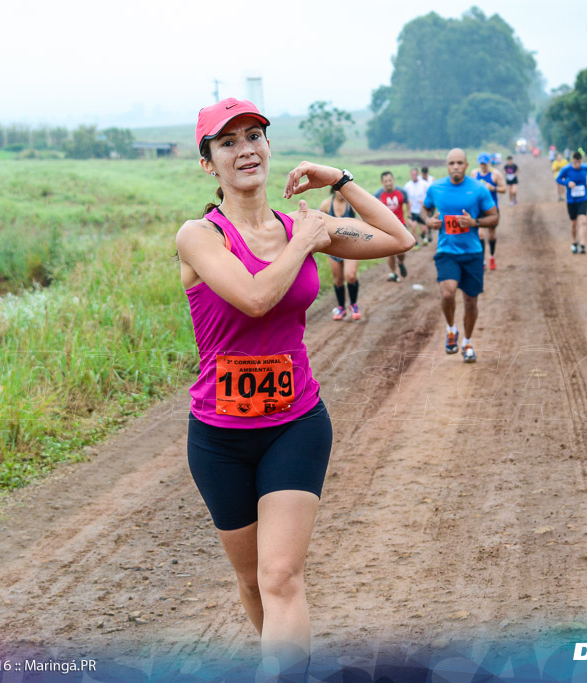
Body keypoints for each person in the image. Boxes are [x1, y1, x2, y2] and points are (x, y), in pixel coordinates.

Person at [176, 98, 414, 679]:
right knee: (253, 582)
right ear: (208, 162)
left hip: (295, 423)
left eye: (254, 136)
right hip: (218, 435)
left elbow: (398, 238)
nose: (246, 149)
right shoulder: (200, 236)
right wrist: (306, 241)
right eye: (228, 142)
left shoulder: (301, 226)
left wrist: (339, 180)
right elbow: (255, 298)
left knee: (280, 575)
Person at [424, 148, 499, 363]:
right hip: (447, 251)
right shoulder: (436, 188)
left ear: (466, 165)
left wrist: (474, 222)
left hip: (473, 253)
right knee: (448, 293)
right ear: (447, 166)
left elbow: (494, 218)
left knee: (471, 302)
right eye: (451, 163)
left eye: (459, 163)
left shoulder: (478, 189)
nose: (455, 167)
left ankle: (467, 342)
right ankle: (450, 329)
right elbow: (424, 210)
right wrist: (429, 221)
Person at [318, 188, 361, 321]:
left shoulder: (352, 204)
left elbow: (361, 222)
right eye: (338, 189)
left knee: (350, 275)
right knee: (338, 280)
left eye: (343, 189)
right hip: (333, 248)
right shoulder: (326, 204)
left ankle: (353, 304)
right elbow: (318, 220)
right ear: (333, 189)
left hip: (350, 247)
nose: (341, 192)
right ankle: (341, 307)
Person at [470, 153, 505, 270]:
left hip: (492, 209)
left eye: (485, 164)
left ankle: (492, 256)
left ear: (489, 163)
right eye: (481, 163)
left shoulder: (495, 175)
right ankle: (483, 260)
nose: (483, 166)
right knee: (480, 234)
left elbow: (504, 189)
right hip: (478, 208)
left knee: (491, 234)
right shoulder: (474, 173)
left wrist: (493, 188)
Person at [556, 151, 587, 254]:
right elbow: (558, 179)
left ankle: (582, 244)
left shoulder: (586, 167)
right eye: (575, 162)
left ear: (581, 160)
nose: (577, 164)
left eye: (579, 162)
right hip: (571, 200)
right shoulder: (566, 169)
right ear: (573, 161)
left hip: (583, 199)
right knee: (574, 223)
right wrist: (567, 183)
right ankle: (574, 242)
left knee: (583, 221)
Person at [375, 171, 411, 281]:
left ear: (393, 180)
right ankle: (393, 273)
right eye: (386, 181)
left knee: (401, 251)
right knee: (390, 252)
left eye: (390, 180)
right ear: (382, 182)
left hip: (401, 225)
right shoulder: (377, 195)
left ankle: (400, 262)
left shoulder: (401, 192)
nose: (388, 183)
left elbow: (407, 202)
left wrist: (409, 215)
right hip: (386, 228)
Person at [404, 166, 432, 247]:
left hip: (422, 211)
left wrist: (425, 202)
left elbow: (429, 196)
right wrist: (408, 213)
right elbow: (406, 201)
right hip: (413, 211)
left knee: (424, 229)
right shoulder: (407, 186)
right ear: (410, 175)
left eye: (415, 174)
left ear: (418, 174)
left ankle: (423, 235)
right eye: (412, 174)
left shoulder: (424, 184)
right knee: (413, 227)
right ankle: (415, 243)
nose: (414, 176)